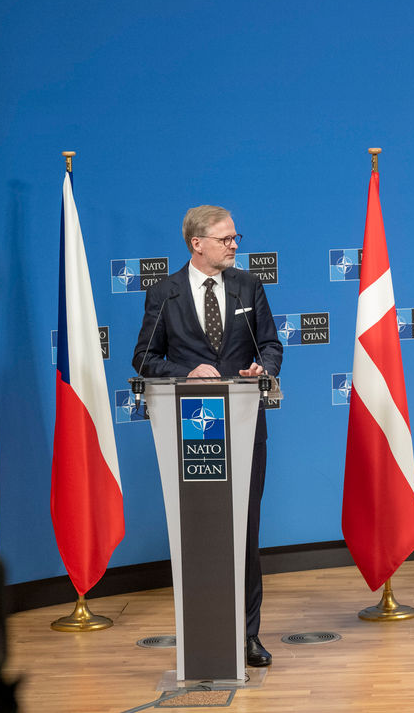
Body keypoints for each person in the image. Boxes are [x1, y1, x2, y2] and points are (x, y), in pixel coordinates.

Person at [132, 205, 283, 667]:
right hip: (192, 433)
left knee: (246, 529)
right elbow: (143, 358)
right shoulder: (165, 293)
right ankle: (203, 632)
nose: (235, 245)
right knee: (201, 530)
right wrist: (185, 370)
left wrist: (264, 369)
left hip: (243, 423)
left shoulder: (248, 285)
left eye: (236, 237)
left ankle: (248, 635)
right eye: (226, 239)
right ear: (197, 243)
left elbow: (272, 344)